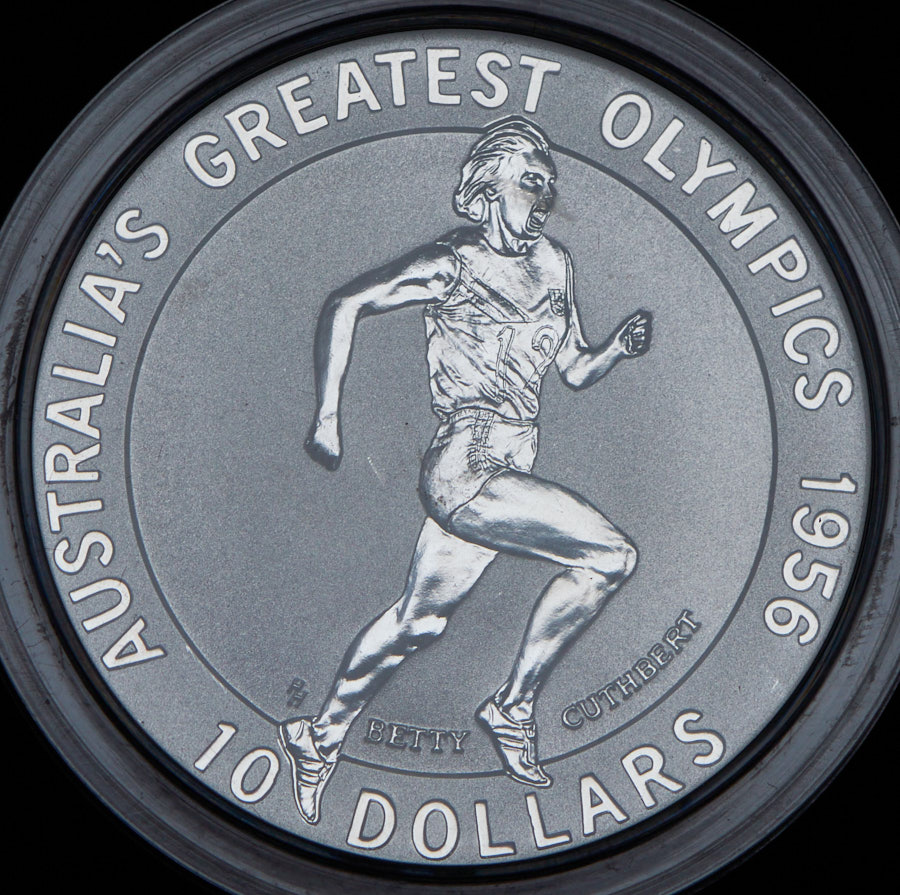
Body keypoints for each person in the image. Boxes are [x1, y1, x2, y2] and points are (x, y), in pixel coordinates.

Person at [279, 117, 651, 825]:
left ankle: (318, 737)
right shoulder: (454, 262)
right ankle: (513, 707)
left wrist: (615, 351)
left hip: (515, 455)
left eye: (550, 185)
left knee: (418, 622)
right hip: (468, 462)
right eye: (532, 182)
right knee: (610, 555)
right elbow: (346, 302)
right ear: (489, 187)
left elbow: (572, 368)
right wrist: (327, 418)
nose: (545, 197)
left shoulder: (557, 264)